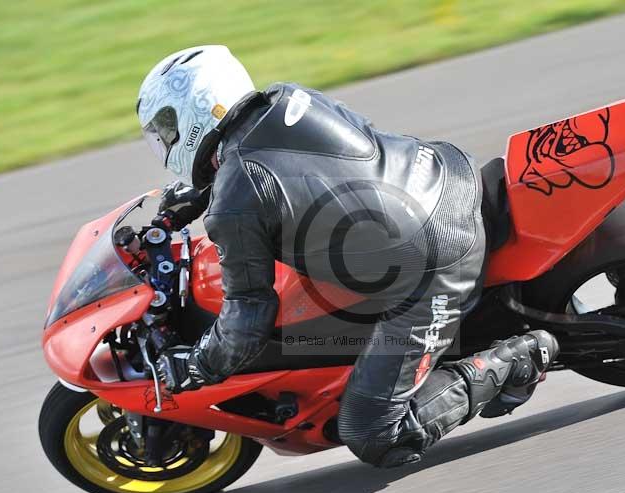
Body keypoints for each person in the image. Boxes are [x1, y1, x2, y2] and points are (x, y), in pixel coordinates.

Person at [139, 45, 559, 468]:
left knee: (373, 432)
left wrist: (198, 366)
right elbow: (296, 170)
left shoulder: (235, 200)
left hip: (435, 262)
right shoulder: (286, 100)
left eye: (167, 124)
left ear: (197, 107)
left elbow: (248, 321)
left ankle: (520, 358)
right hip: (447, 176)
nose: (167, 138)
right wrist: (204, 192)